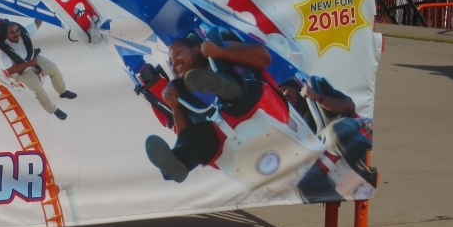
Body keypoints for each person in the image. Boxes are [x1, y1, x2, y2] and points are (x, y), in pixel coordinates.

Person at [145, 30, 272, 183]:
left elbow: (265, 58)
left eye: (178, 53)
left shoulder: (218, 46)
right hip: (226, 137)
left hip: (255, 106)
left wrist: (220, 52)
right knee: (199, 137)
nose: (174, 63)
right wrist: (175, 107)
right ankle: (180, 162)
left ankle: (229, 89)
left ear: (196, 49)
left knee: (237, 96)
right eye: (171, 62)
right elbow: (187, 135)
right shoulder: (182, 94)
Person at [279, 76, 374, 186]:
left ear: (296, 88)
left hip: (348, 132)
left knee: (335, 133)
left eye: (283, 90)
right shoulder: (289, 128)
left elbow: (349, 107)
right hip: (325, 156)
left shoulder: (315, 89)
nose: (283, 96)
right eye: (279, 99)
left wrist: (318, 98)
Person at [0, 19, 76, 120]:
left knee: (54, 68)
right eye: (12, 32)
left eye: (17, 31)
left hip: (32, 60)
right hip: (20, 73)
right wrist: (27, 64)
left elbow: (37, 23)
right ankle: (53, 110)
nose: (16, 34)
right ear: (6, 34)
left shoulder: (24, 34)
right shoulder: (3, 52)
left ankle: (62, 91)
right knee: (38, 88)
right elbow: (10, 71)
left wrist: (40, 14)